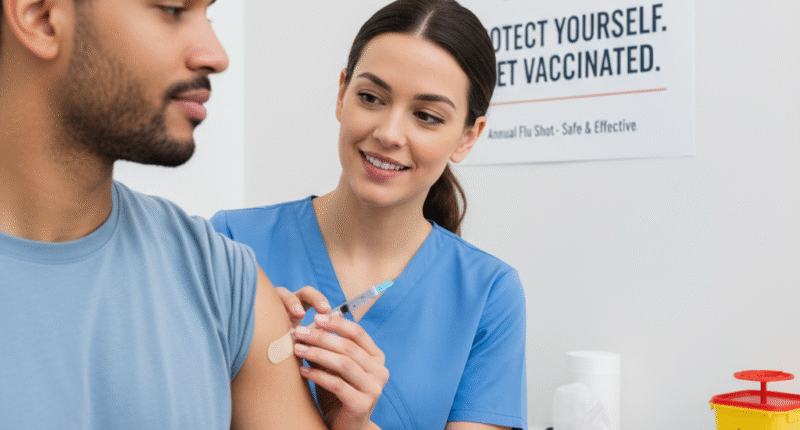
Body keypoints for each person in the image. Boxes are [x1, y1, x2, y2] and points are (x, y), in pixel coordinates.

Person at [0, 0, 384, 428]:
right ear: (40, 16)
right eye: (172, 9)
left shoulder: (223, 283)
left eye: (209, 13)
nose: (216, 55)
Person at [211, 0, 528, 429]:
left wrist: (356, 423)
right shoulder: (230, 243)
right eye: (370, 97)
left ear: (468, 138)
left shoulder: (489, 294)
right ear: (342, 94)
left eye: (427, 116)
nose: (389, 133)